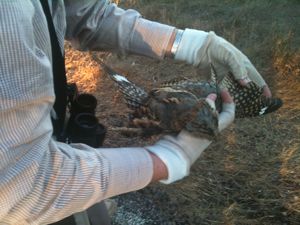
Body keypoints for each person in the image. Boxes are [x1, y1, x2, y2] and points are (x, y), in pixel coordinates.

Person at [0, 0, 270, 224]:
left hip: (50, 128)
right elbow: (27, 186)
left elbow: (84, 13)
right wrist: (169, 159)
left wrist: (193, 44)